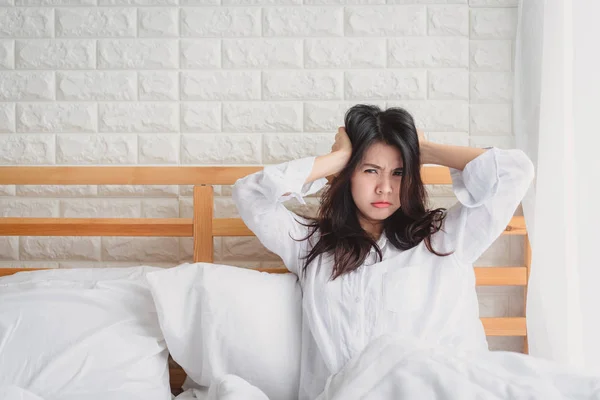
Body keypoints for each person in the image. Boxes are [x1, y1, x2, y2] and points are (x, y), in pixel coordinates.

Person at [232, 104, 535, 400]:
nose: (385, 188)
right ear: (347, 174)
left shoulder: (445, 237)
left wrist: (424, 149)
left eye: (399, 173)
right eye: (370, 170)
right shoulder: (309, 244)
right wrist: (338, 157)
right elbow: (250, 194)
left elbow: (514, 172)